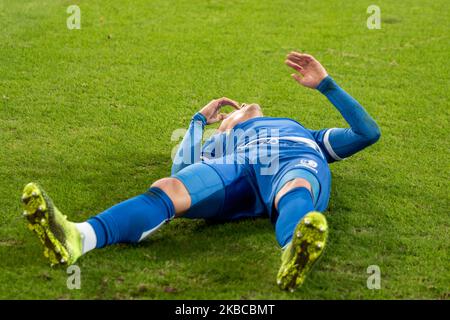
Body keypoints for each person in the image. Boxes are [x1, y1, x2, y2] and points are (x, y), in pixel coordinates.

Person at [20, 52, 380, 291]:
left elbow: (368, 133)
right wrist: (198, 122)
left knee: (295, 186)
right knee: (169, 187)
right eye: (228, 114)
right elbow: (183, 168)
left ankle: (293, 251)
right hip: (237, 166)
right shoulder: (220, 143)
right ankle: (78, 236)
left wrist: (326, 85)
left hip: (293, 162)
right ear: (222, 126)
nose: (237, 107)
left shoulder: (304, 133)